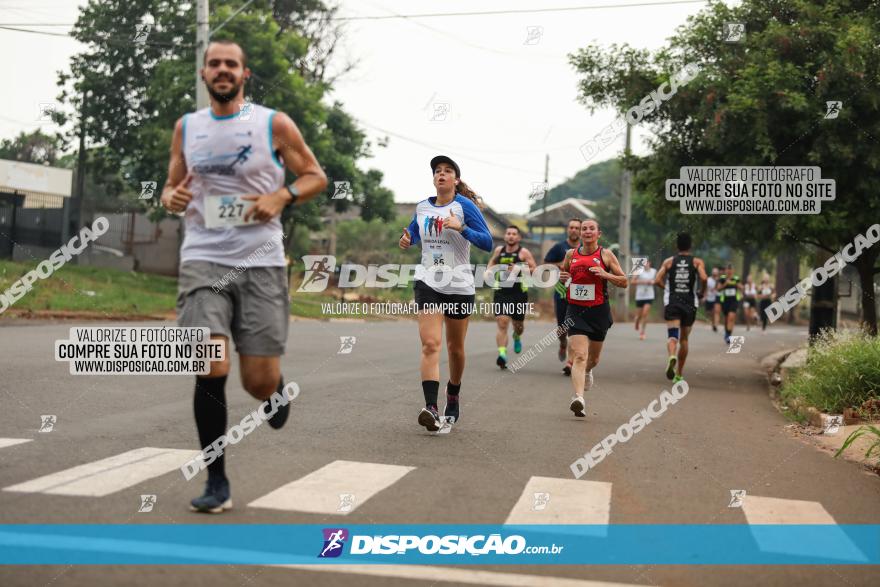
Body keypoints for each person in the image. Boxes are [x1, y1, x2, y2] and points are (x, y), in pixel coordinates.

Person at [161, 40, 328, 513]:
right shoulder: (186, 128)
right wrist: (168, 197)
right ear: (203, 73)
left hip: (261, 262)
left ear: (244, 74)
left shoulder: (271, 123)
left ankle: (273, 390)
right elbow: (173, 186)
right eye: (214, 63)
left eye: (230, 64)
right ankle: (217, 481)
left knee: (256, 380)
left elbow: (315, 175)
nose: (222, 70)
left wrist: (282, 196)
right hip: (202, 258)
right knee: (210, 366)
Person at [399, 155, 493, 431]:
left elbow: (487, 242)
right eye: (437, 171)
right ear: (433, 178)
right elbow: (414, 235)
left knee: (455, 349)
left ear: (456, 179)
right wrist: (407, 239)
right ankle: (431, 407)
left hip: (460, 284)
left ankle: (453, 392)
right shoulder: (422, 208)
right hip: (429, 281)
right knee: (430, 344)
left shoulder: (464, 206)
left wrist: (461, 227)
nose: (441, 174)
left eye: (447, 171)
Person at [557, 219, 628, 417]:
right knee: (579, 355)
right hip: (575, 310)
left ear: (599, 233)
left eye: (591, 229)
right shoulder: (571, 254)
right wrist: (563, 278)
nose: (587, 232)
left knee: (593, 359)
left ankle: (588, 371)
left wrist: (606, 274)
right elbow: (565, 275)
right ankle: (578, 398)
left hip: (598, 311)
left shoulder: (605, 254)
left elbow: (624, 281)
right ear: (580, 233)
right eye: (584, 229)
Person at [654, 233, 708, 383]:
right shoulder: (697, 262)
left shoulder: (669, 262)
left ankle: (672, 355)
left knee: (672, 336)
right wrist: (702, 292)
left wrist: (667, 289)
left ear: (676, 246)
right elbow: (704, 278)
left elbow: (657, 280)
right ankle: (678, 374)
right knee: (684, 339)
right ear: (691, 246)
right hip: (690, 302)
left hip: (673, 301)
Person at [486, 225, 537, 369]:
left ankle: (517, 336)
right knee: (502, 322)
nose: (511, 236)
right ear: (505, 236)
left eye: (514, 234)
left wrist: (520, 268)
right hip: (501, 292)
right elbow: (492, 263)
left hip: (518, 293)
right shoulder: (499, 251)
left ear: (519, 237)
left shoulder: (523, 252)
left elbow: (534, 269)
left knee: (518, 326)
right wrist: (489, 271)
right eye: (508, 233)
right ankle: (502, 355)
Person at [543, 218, 581, 375]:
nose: (573, 230)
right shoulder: (559, 247)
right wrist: (559, 265)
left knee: (574, 327)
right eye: (571, 227)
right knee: (562, 328)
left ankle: (570, 362)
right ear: (568, 230)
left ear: (580, 231)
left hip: (579, 292)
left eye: (577, 228)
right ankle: (563, 344)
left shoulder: (585, 248)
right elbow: (545, 265)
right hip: (561, 291)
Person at [716, 264, 743, 344]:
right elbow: (718, 289)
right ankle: (727, 333)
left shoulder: (736, 279)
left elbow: (742, 287)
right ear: (726, 270)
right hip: (725, 301)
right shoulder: (722, 278)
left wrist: (737, 285)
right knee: (727, 318)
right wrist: (725, 284)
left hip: (734, 301)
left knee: (731, 317)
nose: (729, 271)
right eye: (728, 269)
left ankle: (728, 335)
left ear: (733, 271)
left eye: (731, 270)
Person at [631, 259, 656, 341]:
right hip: (640, 296)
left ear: (650, 263)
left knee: (645, 314)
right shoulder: (638, 270)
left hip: (649, 295)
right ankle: (637, 321)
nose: (646, 265)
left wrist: (653, 282)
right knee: (639, 315)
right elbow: (632, 282)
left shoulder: (654, 271)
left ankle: (642, 332)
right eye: (644, 263)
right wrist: (645, 282)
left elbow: (657, 280)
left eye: (647, 263)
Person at [705, 267, 720, 331]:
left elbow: (719, 288)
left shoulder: (719, 280)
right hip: (709, 298)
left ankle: (716, 325)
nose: (715, 274)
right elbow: (705, 289)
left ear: (717, 273)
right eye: (714, 272)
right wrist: (704, 296)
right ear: (712, 273)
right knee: (710, 313)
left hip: (716, 297)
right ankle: (713, 323)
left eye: (716, 273)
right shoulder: (708, 280)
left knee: (716, 311)